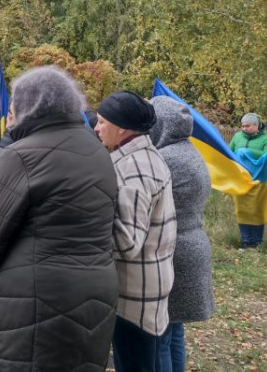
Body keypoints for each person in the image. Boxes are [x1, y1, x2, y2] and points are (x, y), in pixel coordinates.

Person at [0, 66, 118, 371]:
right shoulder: (98, 150)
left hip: (35, 299)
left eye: (12, 107)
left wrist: (0, 278)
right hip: (97, 292)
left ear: (28, 107)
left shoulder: (20, 155)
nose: (9, 115)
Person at [95, 91, 176, 372]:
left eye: (102, 122)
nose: (96, 128)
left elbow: (128, 241)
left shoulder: (134, 167)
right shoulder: (143, 155)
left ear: (122, 127)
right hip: (148, 284)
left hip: (134, 296)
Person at [149, 96, 215, 372]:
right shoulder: (188, 151)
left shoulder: (165, 158)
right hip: (191, 243)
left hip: (175, 248)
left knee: (160, 336)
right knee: (174, 330)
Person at [229, 113, 267, 248]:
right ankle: (245, 241)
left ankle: (256, 243)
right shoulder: (237, 137)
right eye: (242, 126)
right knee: (242, 210)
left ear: (256, 126)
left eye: (247, 126)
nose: (244, 128)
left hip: (258, 181)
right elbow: (229, 152)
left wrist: (248, 151)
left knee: (256, 211)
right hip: (240, 180)